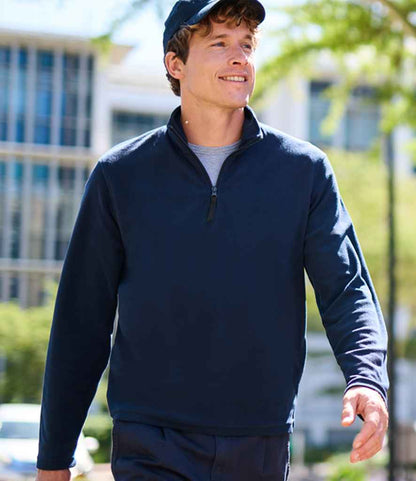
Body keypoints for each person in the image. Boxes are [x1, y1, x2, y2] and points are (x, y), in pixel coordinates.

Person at [36, 0, 389, 480]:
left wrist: (367, 377)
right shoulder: (120, 176)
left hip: (259, 443)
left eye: (246, 44)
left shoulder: (303, 172)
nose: (239, 57)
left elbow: (347, 289)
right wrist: (54, 458)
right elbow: (81, 322)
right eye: (219, 43)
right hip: (150, 441)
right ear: (175, 64)